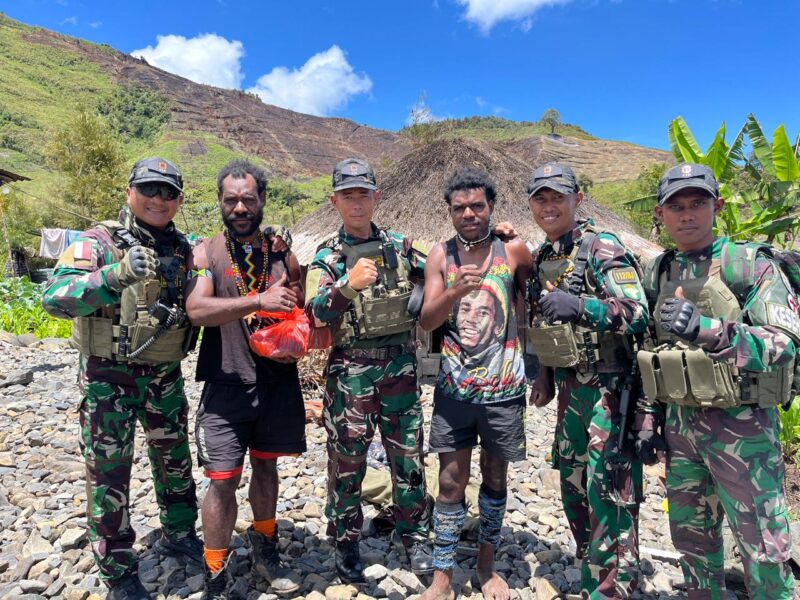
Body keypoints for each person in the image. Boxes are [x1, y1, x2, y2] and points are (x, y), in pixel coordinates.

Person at [636, 163, 799, 599]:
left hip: (743, 431)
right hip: (681, 429)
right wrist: (649, 418)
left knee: (763, 548)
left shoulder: (749, 265)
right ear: (661, 214)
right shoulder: (658, 272)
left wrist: (708, 330)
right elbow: (652, 350)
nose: (687, 214)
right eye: (676, 207)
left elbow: (784, 344)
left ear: (718, 206)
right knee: (693, 544)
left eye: (698, 203)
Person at [42, 157, 202, 600]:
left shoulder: (185, 248)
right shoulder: (98, 242)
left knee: (175, 460)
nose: (158, 199)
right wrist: (115, 275)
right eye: (149, 189)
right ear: (130, 192)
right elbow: (54, 298)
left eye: (168, 192)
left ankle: (179, 533)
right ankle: (117, 569)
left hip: (164, 375)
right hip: (108, 378)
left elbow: (219, 271)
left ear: (179, 200)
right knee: (109, 474)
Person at [524, 162, 649, 598]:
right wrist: (544, 375)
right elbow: (542, 323)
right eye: (540, 198)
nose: (549, 206)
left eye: (558, 197)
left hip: (610, 392)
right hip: (570, 390)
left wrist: (583, 307)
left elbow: (638, 313)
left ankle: (611, 588)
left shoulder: (601, 246)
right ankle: (592, 570)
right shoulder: (543, 257)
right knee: (573, 486)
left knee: (608, 492)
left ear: (577, 200)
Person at [305, 157, 432, 583]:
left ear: (376, 197)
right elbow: (315, 312)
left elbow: (439, 271)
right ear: (335, 202)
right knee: (347, 461)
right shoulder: (328, 255)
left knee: (408, 457)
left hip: (401, 366)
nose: (356, 202)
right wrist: (348, 285)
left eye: (363, 194)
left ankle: (414, 536)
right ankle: (345, 540)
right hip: (351, 371)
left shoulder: (400, 245)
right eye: (348, 195)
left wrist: (422, 291)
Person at [185, 159, 304, 599]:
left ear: (262, 201)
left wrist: (294, 336)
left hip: (277, 382)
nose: (240, 208)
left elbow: (298, 309)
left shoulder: (283, 254)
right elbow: (197, 310)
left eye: (248, 200)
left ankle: (265, 546)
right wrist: (258, 301)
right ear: (219, 201)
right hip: (226, 381)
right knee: (222, 480)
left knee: (267, 467)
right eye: (231, 199)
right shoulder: (206, 253)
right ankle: (215, 572)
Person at [419, 167, 532, 600]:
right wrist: (452, 293)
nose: (469, 214)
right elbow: (427, 320)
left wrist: (542, 370)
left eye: (477, 206)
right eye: (460, 207)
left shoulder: (513, 250)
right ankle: (443, 577)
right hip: (455, 390)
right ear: (449, 212)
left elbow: (535, 302)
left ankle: (487, 566)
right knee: (450, 481)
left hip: (504, 391)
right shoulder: (440, 255)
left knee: (495, 477)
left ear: (491, 207)